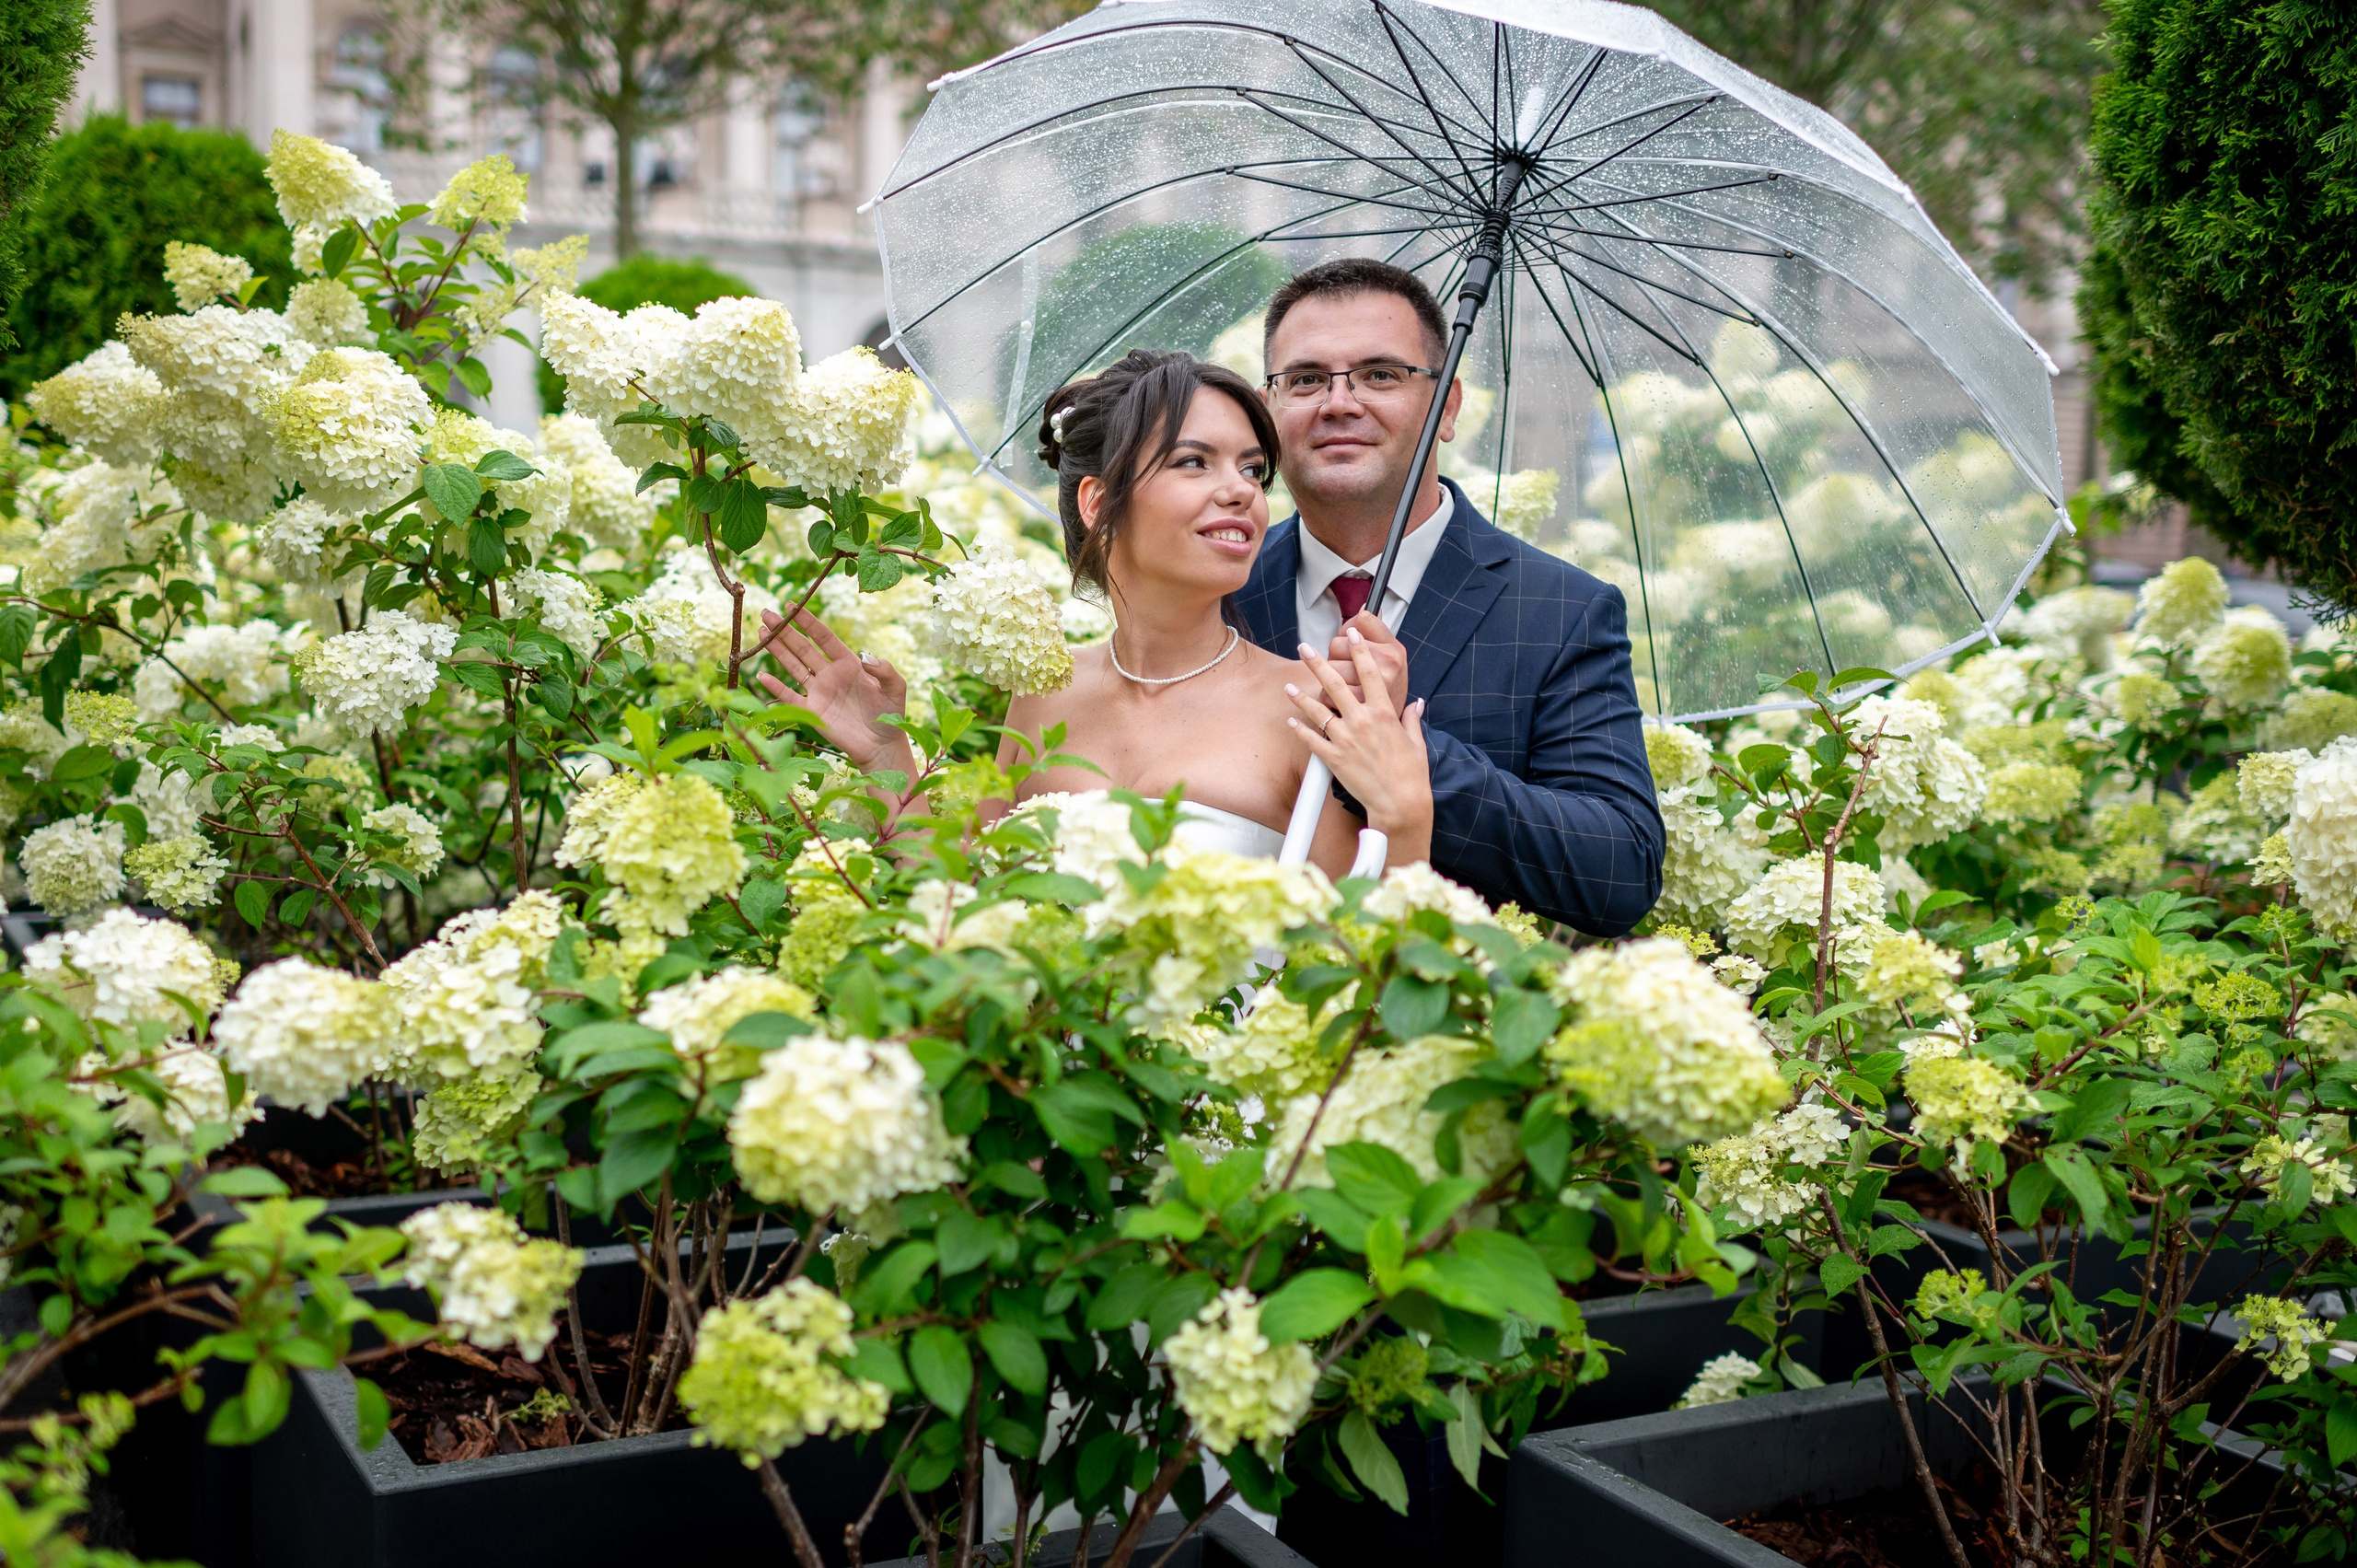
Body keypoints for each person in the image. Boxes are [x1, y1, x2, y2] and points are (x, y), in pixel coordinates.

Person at [749, 349, 1434, 881]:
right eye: (1195, 462)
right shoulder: (1043, 693)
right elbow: (966, 904)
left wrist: (1405, 816)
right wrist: (885, 756)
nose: (1239, 492)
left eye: (1253, 470)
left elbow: (1357, 954)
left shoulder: (1314, 703)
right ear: (1097, 502)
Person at [1235, 257, 1664, 935]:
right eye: (1307, 379)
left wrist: (1408, 750)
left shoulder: (1560, 611)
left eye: (1381, 374)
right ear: (1269, 410)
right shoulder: (1221, 589)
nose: (1339, 403)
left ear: (1448, 407)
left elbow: (1619, 868)